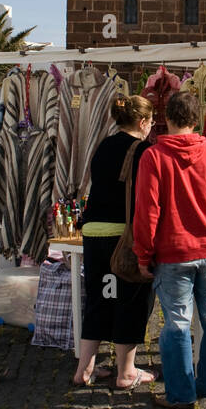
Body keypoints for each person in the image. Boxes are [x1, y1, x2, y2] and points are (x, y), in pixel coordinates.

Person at [133, 89, 206, 409]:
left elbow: (147, 212)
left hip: (174, 254)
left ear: (166, 118)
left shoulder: (154, 157)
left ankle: (181, 394)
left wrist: (143, 254)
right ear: (196, 120)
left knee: (178, 323)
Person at [74, 94, 159, 389]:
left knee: (99, 299)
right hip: (121, 236)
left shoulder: (104, 145)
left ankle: (84, 370)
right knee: (130, 299)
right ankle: (126, 373)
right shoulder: (144, 150)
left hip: (93, 231)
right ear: (142, 121)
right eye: (151, 120)